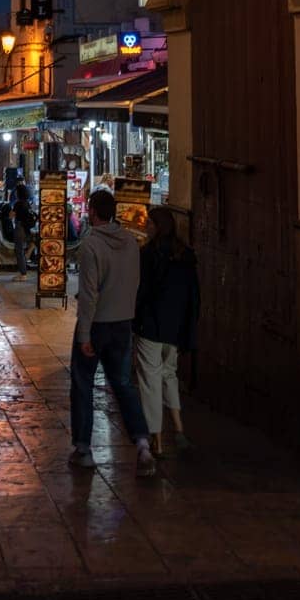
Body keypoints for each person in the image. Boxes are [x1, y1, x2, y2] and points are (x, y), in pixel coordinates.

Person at [69, 189, 156, 478]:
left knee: (83, 383)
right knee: (122, 383)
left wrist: (84, 335)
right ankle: (142, 443)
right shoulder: (131, 242)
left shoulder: (91, 245)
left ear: (93, 212)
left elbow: (89, 294)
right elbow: (136, 281)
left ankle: (83, 449)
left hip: (97, 324)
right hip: (123, 323)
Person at [133, 206, 200, 457]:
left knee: (150, 381)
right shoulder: (185, 256)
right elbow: (193, 296)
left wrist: (134, 318)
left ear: (157, 226)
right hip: (175, 329)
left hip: (150, 326)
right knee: (169, 375)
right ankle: (179, 430)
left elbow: (141, 292)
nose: (145, 227)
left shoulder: (149, 255)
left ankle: (157, 440)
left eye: (149, 223)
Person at [12, 182, 36, 280]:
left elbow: (11, 215)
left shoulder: (18, 203)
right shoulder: (27, 203)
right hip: (26, 229)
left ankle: (23, 274)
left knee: (19, 251)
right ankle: (30, 251)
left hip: (19, 227)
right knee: (22, 250)